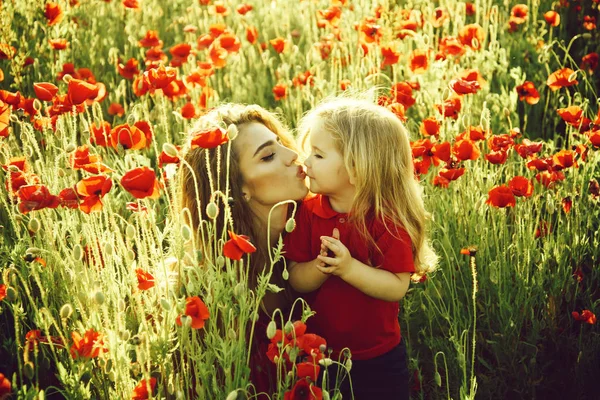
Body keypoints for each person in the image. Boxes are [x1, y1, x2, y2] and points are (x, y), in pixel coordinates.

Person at [283, 97, 438, 399]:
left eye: (318, 154)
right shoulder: (308, 212)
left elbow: (396, 286)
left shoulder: (386, 220)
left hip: (378, 356)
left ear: (357, 167)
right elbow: (295, 279)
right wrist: (320, 268)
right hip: (320, 354)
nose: (306, 162)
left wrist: (348, 268)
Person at [178, 103, 309, 396]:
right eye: (269, 155)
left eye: (281, 144)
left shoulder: (325, 239)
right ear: (238, 189)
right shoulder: (209, 293)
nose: (293, 156)